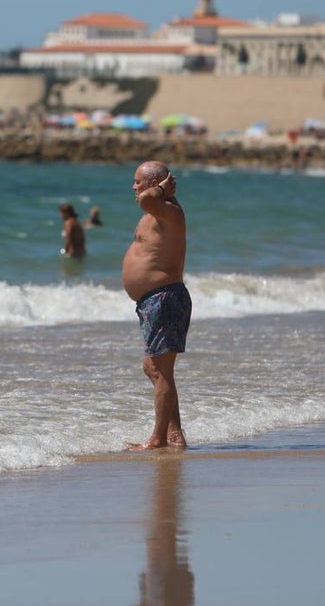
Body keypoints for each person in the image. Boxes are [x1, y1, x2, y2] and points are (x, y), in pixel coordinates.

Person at [122, 161, 191, 450]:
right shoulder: (157, 210)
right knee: (152, 367)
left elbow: (146, 199)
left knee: (160, 370)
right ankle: (174, 433)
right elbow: (146, 201)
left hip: (164, 298)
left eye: (138, 181)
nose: (133, 187)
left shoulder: (169, 211)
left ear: (154, 184)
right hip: (154, 300)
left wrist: (159, 189)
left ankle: (158, 439)